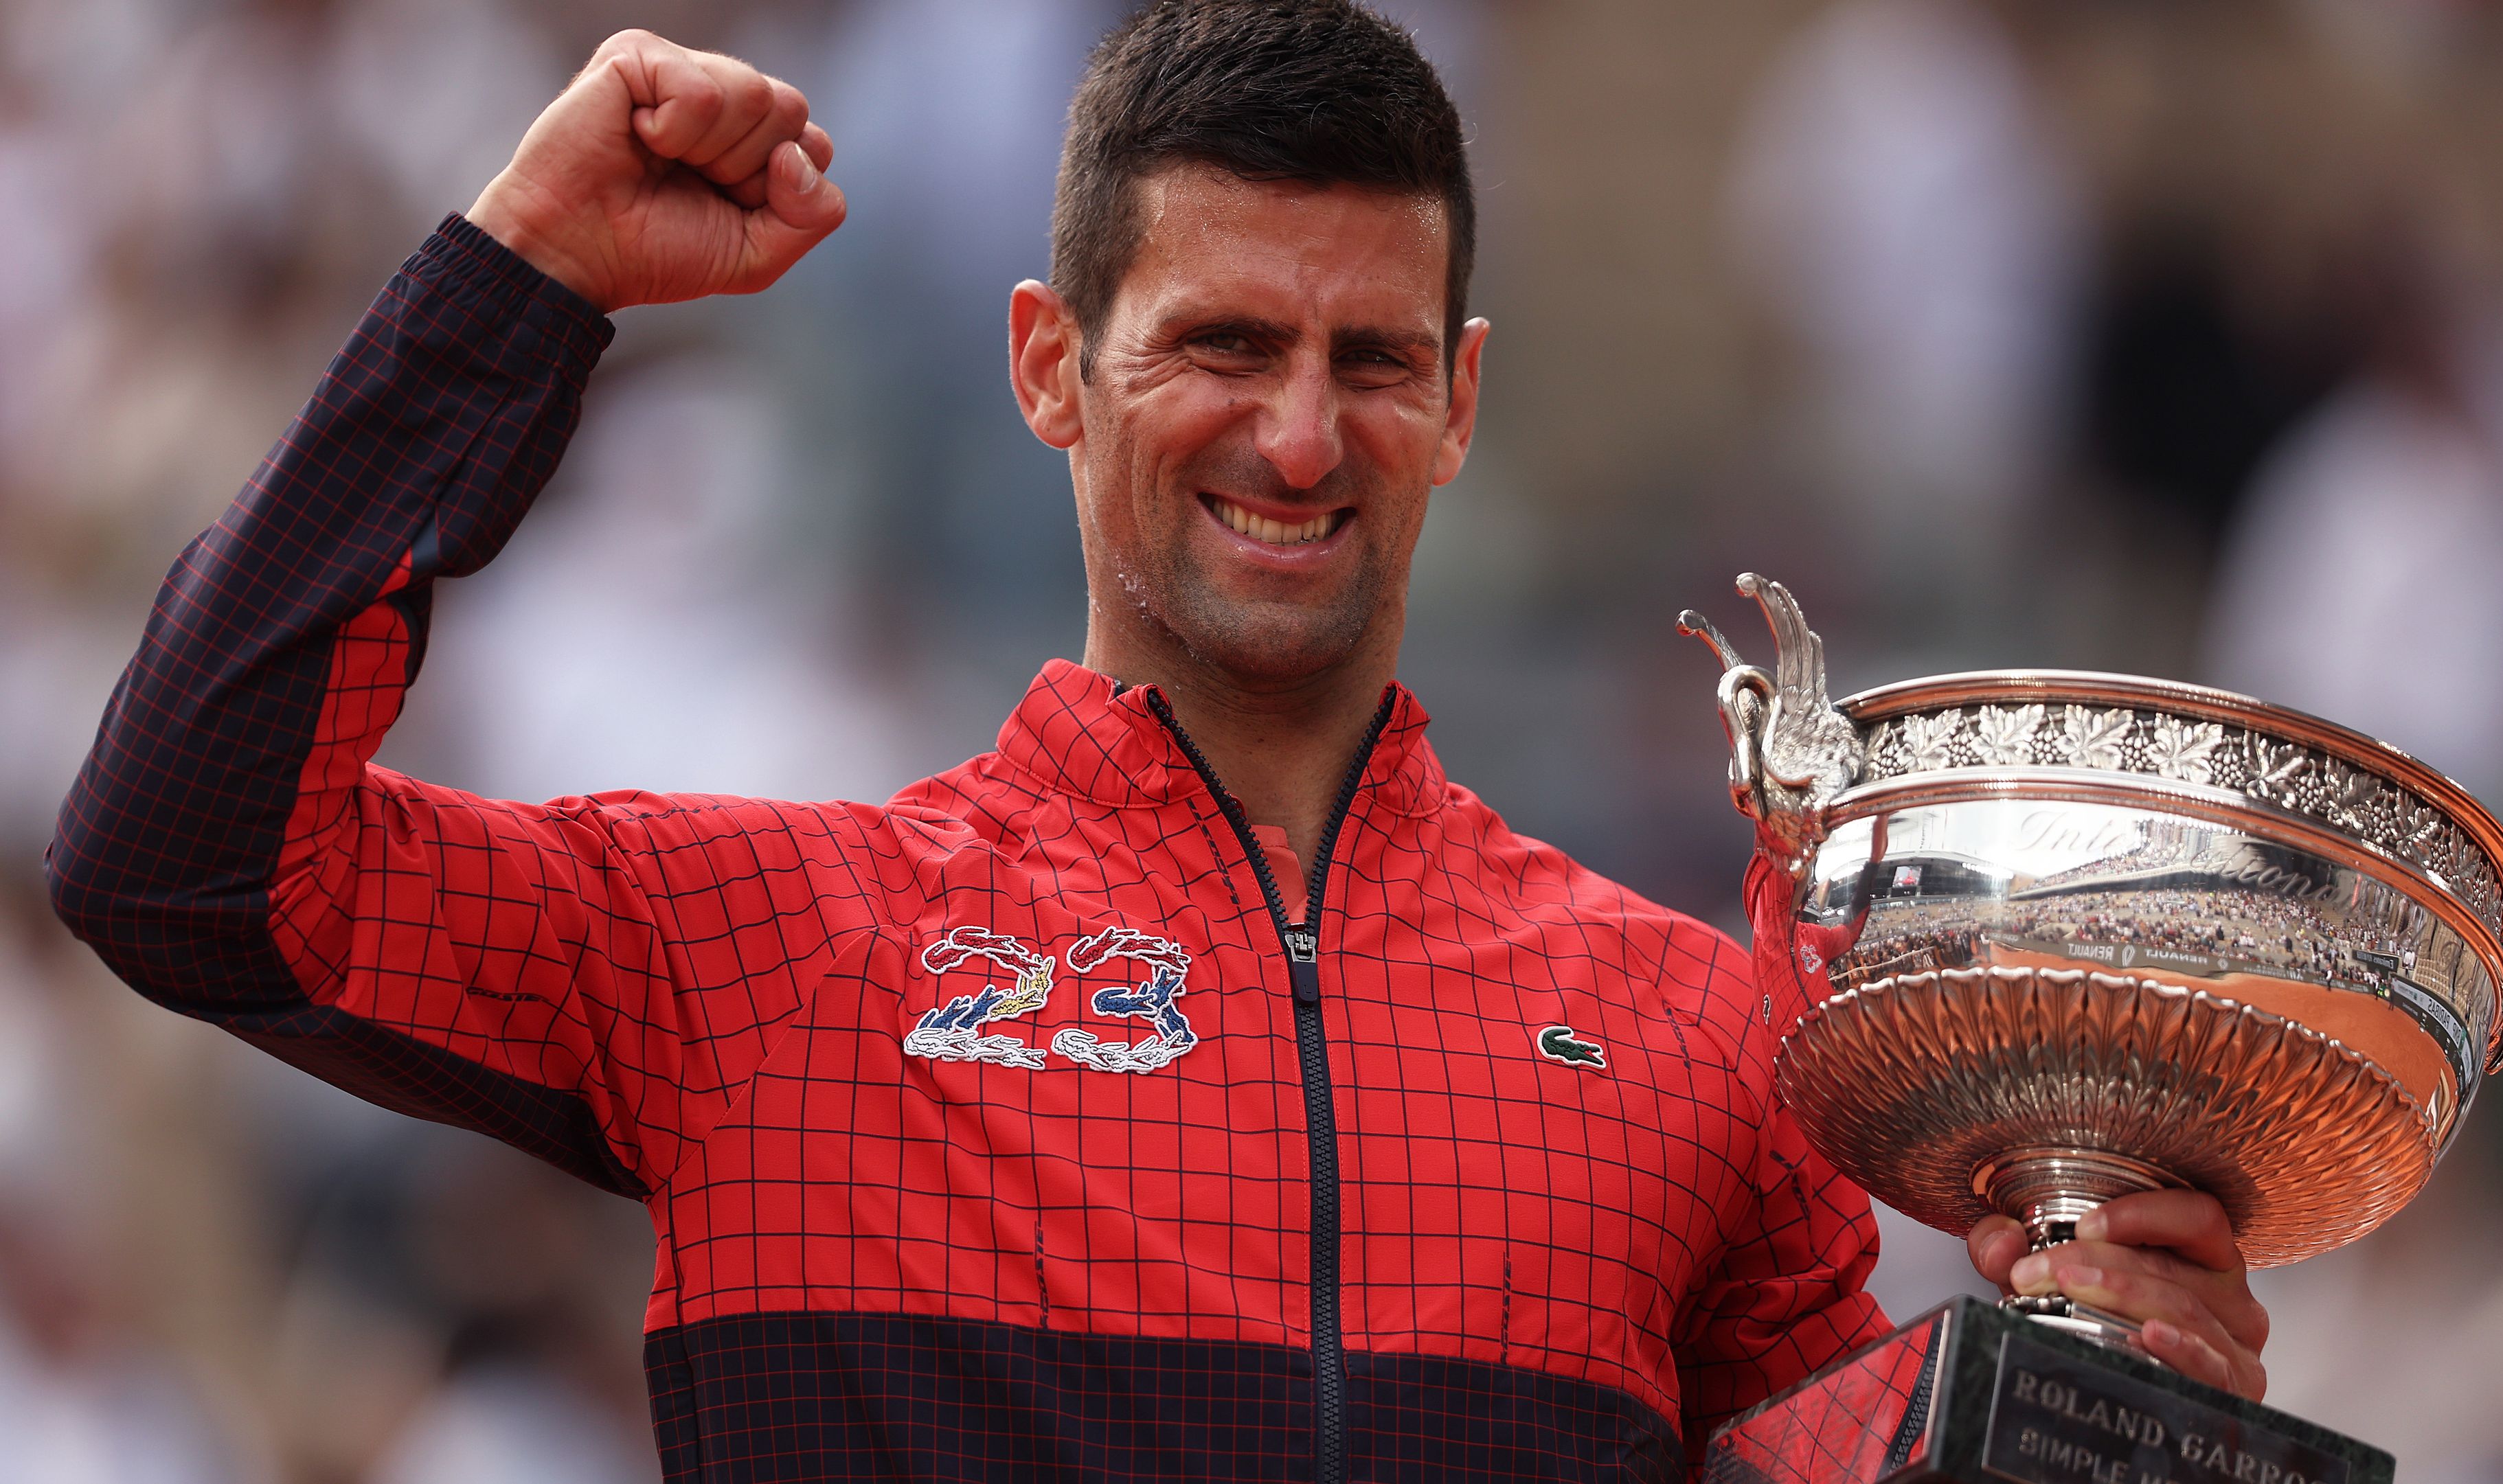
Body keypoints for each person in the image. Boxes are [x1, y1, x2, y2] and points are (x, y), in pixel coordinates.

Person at [45, 3, 2268, 1477]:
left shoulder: (1692, 1028)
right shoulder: (751, 942)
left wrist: (2099, 1392)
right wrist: (513, 281)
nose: (1302, 436)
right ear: (1047, 366)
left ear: (1464, 400)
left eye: (1373, 359)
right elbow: (176, 852)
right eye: (1219, 340)